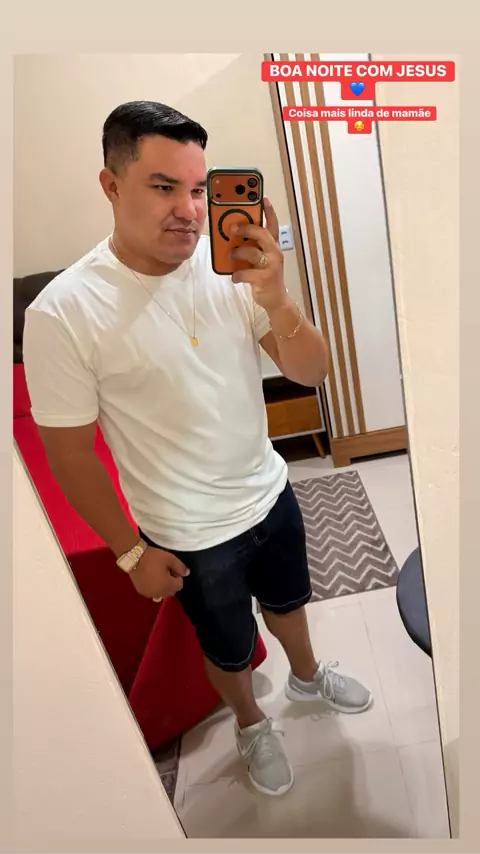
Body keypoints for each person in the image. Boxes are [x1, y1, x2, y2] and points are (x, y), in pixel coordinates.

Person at [23, 100, 372, 798]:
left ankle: (306, 678)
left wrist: (278, 298)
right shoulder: (63, 312)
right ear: (110, 184)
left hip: (268, 491)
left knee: (289, 603)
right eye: (163, 187)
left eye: (199, 189)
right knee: (228, 645)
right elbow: (70, 454)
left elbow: (313, 372)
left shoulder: (231, 271)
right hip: (187, 530)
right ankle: (250, 723)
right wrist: (130, 553)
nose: (188, 210)